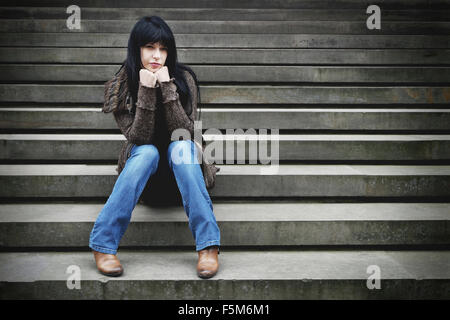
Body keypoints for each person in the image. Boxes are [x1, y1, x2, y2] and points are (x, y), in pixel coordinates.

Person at [88, 16, 221, 279]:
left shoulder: (183, 80)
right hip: (143, 177)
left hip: (185, 173)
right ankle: (103, 246)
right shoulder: (120, 86)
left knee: (181, 149)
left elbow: (185, 132)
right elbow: (138, 137)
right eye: (150, 47)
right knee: (147, 152)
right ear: (137, 48)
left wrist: (167, 88)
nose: (157, 55)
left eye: (163, 48)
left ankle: (208, 247)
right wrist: (147, 90)